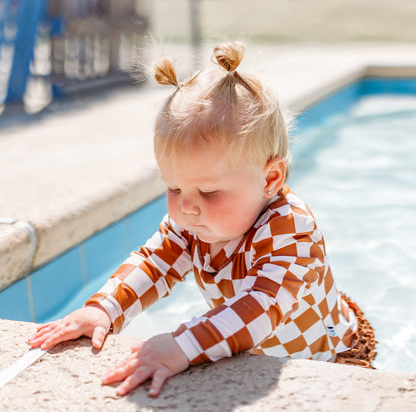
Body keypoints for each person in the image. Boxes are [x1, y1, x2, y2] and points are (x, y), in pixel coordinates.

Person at [29, 41, 376, 397]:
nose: (188, 207)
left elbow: (262, 305)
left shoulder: (291, 230)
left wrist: (184, 345)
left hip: (331, 355)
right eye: (174, 188)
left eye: (209, 193)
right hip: (258, 350)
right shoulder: (193, 221)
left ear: (270, 180)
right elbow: (154, 264)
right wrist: (102, 309)